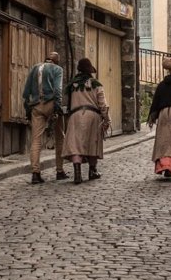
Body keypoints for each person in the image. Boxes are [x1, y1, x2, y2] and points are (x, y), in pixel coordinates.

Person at [61, 57, 110, 185]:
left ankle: (77, 173)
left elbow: (68, 103)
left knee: (76, 144)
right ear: (90, 71)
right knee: (93, 142)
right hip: (92, 115)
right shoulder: (96, 84)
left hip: (75, 115)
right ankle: (92, 171)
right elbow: (103, 104)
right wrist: (106, 119)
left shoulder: (72, 85)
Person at [22, 50, 66, 184]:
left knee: (36, 139)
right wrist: (57, 107)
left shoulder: (35, 68)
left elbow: (26, 92)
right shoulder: (57, 69)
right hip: (51, 103)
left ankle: (35, 173)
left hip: (36, 105)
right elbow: (58, 90)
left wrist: (27, 109)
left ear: (46, 59)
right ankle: (60, 171)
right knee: (60, 137)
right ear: (56, 60)